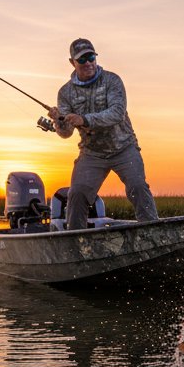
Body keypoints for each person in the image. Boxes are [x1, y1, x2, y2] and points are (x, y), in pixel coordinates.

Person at [47, 38, 160, 230]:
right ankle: (75, 242)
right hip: (92, 153)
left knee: (137, 187)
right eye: (82, 59)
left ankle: (154, 232)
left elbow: (116, 113)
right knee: (77, 194)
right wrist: (59, 121)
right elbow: (66, 133)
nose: (88, 62)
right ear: (72, 62)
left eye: (91, 57)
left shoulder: (112, 80)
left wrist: (85, 119)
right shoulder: (65, 93)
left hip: (124, 147)